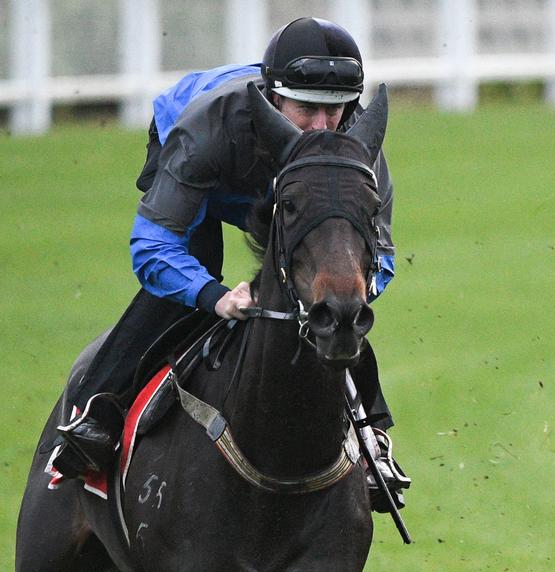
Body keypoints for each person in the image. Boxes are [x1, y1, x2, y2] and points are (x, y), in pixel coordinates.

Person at [53, 17, 410, 512]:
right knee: (195, 273)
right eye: (306, 110)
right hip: (213, 169)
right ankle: (96, 412)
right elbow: (153, 245)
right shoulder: (207, 128)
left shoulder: (354, 145)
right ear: (274, 98)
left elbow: (382, 255)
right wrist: (215, 296)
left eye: (336, 110)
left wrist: (342, 290)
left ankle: (372, 440)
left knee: (332, 306)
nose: (322, 128)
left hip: (296, 193)